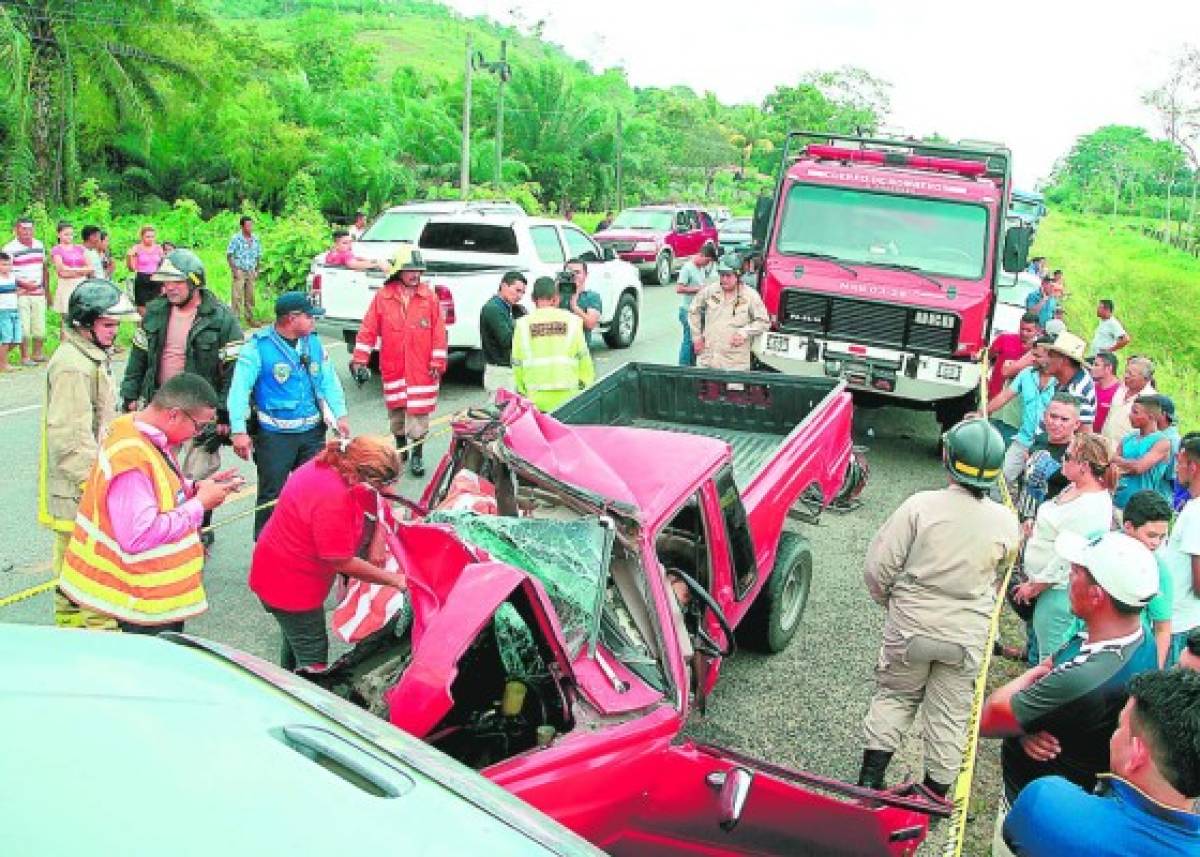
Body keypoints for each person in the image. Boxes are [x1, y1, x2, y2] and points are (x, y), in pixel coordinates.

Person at [858, 419, 1019, 800]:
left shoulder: (920, 507)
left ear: (948, 458)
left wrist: (893, 602)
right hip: (965, 634)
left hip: (912, 624)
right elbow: (999, 574)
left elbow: (878, 569)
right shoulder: (1006, 521)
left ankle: (869, 781)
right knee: (951, 713)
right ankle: (934, 795)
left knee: (895, 696)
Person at [980, 530, 1159, 855]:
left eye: (1075, 571)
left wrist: (1032, 683)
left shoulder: (1081, 679)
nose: (1067, 577)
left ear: (1096, 595)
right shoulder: (1137, 633)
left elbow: (989, 717)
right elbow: (1059, 663)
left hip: (1036, 811)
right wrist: (1025, 725)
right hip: (1075, 799)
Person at [56, 372, 244, 634]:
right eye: (198, 426)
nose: (197, 434)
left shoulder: (136, 431)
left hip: (143, 597)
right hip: (140, 602)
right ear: (174, 414)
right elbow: (138, 535)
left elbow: (158, 489)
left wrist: (195, 488)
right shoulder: (132, 457)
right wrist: (199, 504)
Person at [249, 435, 409, 671]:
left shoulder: (333, 462)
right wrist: (396, 580)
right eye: (381, 484)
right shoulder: (333, 497)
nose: (388, 490)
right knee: (313, 656)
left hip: (276, 569)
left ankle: (287, 679)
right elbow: (342, 562)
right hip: (290, 585)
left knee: (295, 638)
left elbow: (379, 498)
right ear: (359, 476)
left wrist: (377, 537)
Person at [1002, 669, 1200, 856]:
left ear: (1137, 756)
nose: (1113, 736)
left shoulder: (1047, 802)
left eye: (1120, 727)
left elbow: (1013, 833)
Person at [120, 249, 243, 543]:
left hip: (201, 416)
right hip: (161, 409)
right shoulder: (155, 312)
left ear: (194, 282)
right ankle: (166, 528)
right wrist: (130, 394)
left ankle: (199, 529)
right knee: (161, 474)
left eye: (176, 281)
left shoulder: (221, 319)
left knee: (199, 474)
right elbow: (138, 357)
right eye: (165, 282)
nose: (169, 288)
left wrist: (224, 415)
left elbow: (233, 371)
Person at [38, 280, 136, 629]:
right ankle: (93, 653)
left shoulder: (88, 356)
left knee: (80, 583)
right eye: (108, 325)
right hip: (79, 493)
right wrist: (96, 488)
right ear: (84, 323)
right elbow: (70, 438)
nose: (115, 332)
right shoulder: (73, 366)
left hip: (86, 489)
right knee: (88, 584)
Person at [228, 292, 349, 539]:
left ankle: (313, 543)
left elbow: (329, 381)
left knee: (316, 490)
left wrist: (341, 415)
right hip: (275, 438)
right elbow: (239, 389)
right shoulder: (258, 348)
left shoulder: (313, 343)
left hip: (312, 434)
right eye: (309, 317)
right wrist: (238, 430)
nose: (314, 322)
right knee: (271, 497)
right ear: (292, 319)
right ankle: (265, 547)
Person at [1012, 432, 1116, 660]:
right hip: (1043, 583)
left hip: (1057, 590)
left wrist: (1036, 586)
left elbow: (1068, 557)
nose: (1062, 459)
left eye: (1067, 456)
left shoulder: (1091, 507)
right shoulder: (1073, 488)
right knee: (1038, 643)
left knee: (1050, 657)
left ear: (1084, 466)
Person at [350, 249, 446, 478]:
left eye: (418, 270)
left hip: (423, 368)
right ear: (398, 271)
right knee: (397, 412)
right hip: (394, 366)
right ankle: (401, 449)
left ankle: (417, 455)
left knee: (419, 413)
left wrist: (437, 360)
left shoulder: (429, 297)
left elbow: (440, 332)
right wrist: (359, 360)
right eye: (410, 270)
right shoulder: (383, 297)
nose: (415, 274)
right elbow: (368, 329)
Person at [512, 276, 594, 412]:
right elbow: (584, 359)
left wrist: (523, 391)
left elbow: (517, 363)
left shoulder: (522, 324)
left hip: (536, 397)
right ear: (557, 298)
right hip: (568, 395)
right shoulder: (573, 321)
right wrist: (584, 386)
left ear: (533, 298)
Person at [988, 336, 1056, 492]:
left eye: (1037, 356)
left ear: (1050, 356)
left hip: (1048, 446)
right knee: (1000, 482)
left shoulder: (1062, 382)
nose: (1032, 359)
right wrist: (982, 412)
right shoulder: (1026, 374)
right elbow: (1005, 396)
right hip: (1024, 440)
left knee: (1035, 489)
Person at [688, 259, 770, 371]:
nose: (724, 279)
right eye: (721, 275)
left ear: (738, 276)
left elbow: (763, 322)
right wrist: (696, 337)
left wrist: (744, 332)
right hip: (709, 358)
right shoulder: (711, 291)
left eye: (728, 276)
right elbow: (694, 310)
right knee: (706, 387)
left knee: (733, 388)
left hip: (735, 361)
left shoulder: (750, 296)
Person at [1016, 394, 1082, 522]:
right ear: (1045, 416)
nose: (1057, 423)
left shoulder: (1078, 454)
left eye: (1064, 419)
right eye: (1053, 416)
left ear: (1076, 424)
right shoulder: (1040, 439)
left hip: (1051, 525)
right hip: (1023, 516)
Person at [1165, 435, 1200, 665]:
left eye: (1179, 461)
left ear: (1193, 466)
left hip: (1182, 624)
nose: (1176, 468)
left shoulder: (1196, 513)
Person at [988, 313, 1043, 445]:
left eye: (1028, 330)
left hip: (1016, 410)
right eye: (1022, 329)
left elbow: (1008, 371)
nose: (1024, 333)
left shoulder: (1038, 351)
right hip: (995, 396)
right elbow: (988, 357)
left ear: (1037, 330)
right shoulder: (1004, 339)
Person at [1113, 395, 1172, 509]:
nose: (1130, 415)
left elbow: (1139, 468)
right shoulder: (1128, 438)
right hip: (1117, 502)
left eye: (1135, 412)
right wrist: (1129, 464)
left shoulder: (1162, 442)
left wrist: (1119, 462)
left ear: (1151, 416)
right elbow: (1111, 462)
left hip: (1141, 507)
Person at [4, 216, 48, 365]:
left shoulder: (39, 245)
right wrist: (23, 284)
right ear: (17, 229)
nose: (27, 232)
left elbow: (44, 268)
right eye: (23, 229)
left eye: (29, 229)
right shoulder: (9, 248)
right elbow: (5, 271)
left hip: (38, 292)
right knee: (24, 328)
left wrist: (46, 290)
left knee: (39, 328)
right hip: (21, 292)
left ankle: (38, 353)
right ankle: (25, 356)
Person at [479, 271, 528, 395]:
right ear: (504, 286)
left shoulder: (508, 308)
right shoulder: (493, 309)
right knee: (501, 412)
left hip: (507, 370)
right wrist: (522, 323)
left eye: (522, 292)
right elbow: (506, 340)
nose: (520, 296)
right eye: (517, 290)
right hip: (499, 372)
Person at [675, 242, 718, 366]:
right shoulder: (687, 268)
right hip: (687, 310)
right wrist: (697, 289)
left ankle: (691, 366)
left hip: (697, 311)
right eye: (707, 261)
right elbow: (679, 288)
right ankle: (683, 367)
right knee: (688, 341)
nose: (707, 264)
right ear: (702, 255)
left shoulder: (701, 269)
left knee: (696, 340)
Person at [1044, 331, 1096, 429]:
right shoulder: (1071, 378)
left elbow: (1084, 435)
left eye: (1051, 355)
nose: (1046, 359)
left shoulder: (1077, 392)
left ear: (1064, 360)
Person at [1102, 356, 1156, 446]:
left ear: (1145, 379)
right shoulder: (1121, 389)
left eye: (1131, 374)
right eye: (1126, 372)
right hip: (1105, 446)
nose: (1126, 376)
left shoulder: (1150, 399)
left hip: (1125, 453)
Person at [50, 223, 92, 323]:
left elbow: (90, 268)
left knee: (81, 317)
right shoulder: (57, 250)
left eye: (71, 234)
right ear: (58, 234)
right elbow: (61, 270)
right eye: (66, 234)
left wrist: (70, 269)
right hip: (66, 285)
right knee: (66, 318)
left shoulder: (80, 248)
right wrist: (81, 271)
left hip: (81, 284)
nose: (69, 237)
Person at [226, 215, 263, 326]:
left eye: (251, 225)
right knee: (237, 296)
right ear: (242, 226)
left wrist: (257, 269)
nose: (250, 227)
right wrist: (234, 270)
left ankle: (250, 319)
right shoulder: (236, 238)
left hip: (251, 270)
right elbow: (229, 254)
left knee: (250, 296)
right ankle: (235, 322)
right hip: (240, 270)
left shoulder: (256, 238)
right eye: (247, 225)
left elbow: (258, 255)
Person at [560, 257, 602, 347]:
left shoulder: (591, 297)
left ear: (585, 275)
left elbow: (590, 324)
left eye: (577, 272)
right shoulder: (557, 295)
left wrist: (574, 306)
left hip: (579, 348)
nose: (573, 276)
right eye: (570, 273)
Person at [125, 224, 164, 312]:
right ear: (142, 237)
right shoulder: (137, 248)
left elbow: (162, 265)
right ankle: (142, 325)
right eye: (148, 236)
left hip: (156, 278)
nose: (150, 239)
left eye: (152, 237)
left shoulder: (158, 248)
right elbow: (131, 268)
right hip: (142, 278)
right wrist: (129, 257)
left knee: (156, 305)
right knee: (142, 307)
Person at [1090, 351, 1121, 433]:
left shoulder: (1120, 392)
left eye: (1096, 365)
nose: (1092, 368)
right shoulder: (1091, 387)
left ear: (1108, 368)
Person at [0, 252, 18, 372]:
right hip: (3, 311)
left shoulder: (12, 277)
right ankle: (3, 364)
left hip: (14, 309)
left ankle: (2, 359)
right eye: (3, 264)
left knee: (16, 339)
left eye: (8, 264)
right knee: (6, 339)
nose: (6, 267)